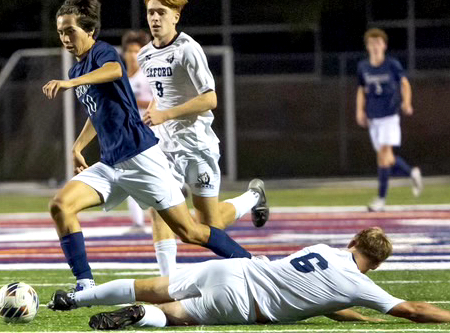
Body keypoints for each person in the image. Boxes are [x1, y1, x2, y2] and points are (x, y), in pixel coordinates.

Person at [42, 0, 258, 293]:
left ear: (89, 31)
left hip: (141, 158)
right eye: (60, 32)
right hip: (111, 163)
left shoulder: (103, 54)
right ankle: (85, 283)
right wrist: (77, 146)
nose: (65, 38)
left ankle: (257, 267)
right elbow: (97, 110)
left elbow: (114, 71)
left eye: (70, 31)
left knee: (191, 231)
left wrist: (69, 83)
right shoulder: (77, 69)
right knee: (61, 205)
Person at [48, 227, 450, 329]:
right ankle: (140, 316)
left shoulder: (324, 250)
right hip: (244, 302)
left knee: (151, 285)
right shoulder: (359, 284)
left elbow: (327, 302)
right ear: (376, 264)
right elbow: (413, 310)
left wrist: (359, 316)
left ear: (352, 240)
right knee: (172, 315)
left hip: (235, 267)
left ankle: (74, 299)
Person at [137, 0, 269, 275]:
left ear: (176, 16)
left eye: (161, 12)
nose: (155, 18)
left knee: (208, 225)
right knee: (161, 210)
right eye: (150, 13)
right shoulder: (144, 55)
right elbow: (162, 95)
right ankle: (168, 282)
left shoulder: (188, 49)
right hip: (164, 145)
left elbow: (210, 99)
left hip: (197, 145)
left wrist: (167, 113)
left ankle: (254, 196)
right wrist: (154, 111)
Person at [356, 28, 423, 212]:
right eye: (372, 43)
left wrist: (407, 103)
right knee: (388, 159)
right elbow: (362, 90)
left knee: (383, 155)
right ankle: (412, 173)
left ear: (384, 45)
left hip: (389, 116)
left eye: (379, 42)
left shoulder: (392, 64)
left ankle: (381, 199)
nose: (375, 46)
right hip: (373, 117)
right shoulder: (363, 67)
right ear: (367, 46)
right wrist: (359, 110)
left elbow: (404, 84)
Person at [120, 30, 153, 234]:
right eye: (130, 51)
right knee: (129, 176)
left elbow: (158, 102)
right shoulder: (120, 76)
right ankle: (138, 222)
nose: (133, 55)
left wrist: (131, 101)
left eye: (137, 51)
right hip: (128, 133)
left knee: (151, 177)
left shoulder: (147, 76)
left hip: (150, 132)